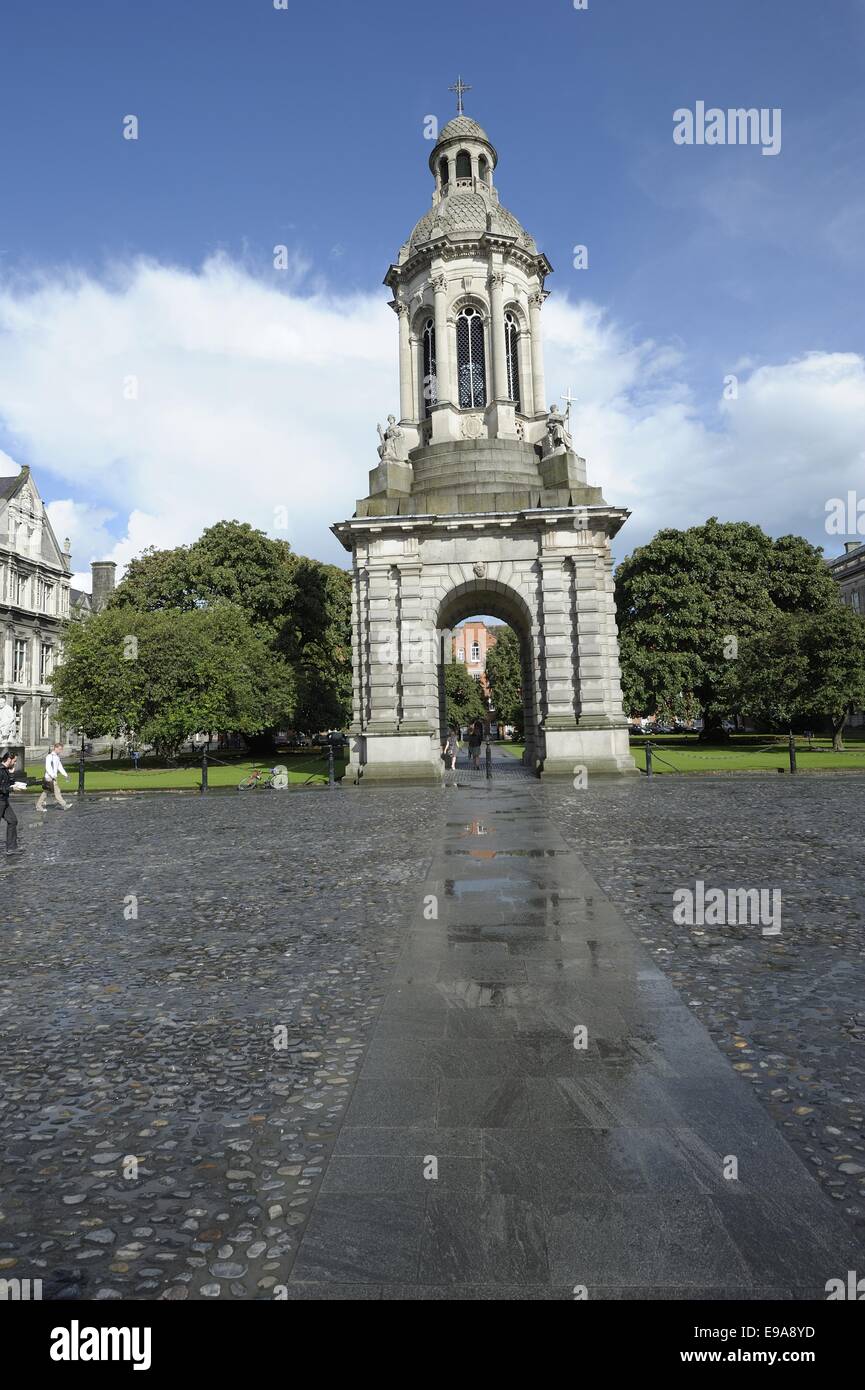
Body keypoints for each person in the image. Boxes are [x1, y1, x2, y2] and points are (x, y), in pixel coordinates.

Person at [0, 750, 26, 855]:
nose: (15, 763)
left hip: (4, 801)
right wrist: (11, 789)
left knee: (13, 821)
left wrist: (11, 775)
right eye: (14, 761)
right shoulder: (0, 770)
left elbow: (8, 783)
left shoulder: (6, 770)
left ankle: (11, 848)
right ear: (9, 759)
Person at [37, 743, 72, 812]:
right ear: (55, 748)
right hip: (49, 777)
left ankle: (38, 805)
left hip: (53, 778)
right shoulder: (49, 756)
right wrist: (53, 775)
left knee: (46, 792)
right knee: (57, 792)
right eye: (60, 749)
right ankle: (64, 805)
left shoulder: (57, 757)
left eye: (61, 749)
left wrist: (65, 775)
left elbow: (60, 767)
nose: (61, 751)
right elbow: (48, 767)